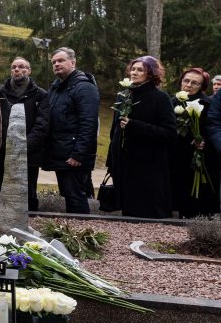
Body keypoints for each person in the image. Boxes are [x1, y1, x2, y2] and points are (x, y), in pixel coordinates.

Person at [106, 56, 176, 218]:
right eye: (133, 69)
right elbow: (114, 131)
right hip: (124, 164)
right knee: (128, 213)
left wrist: (135, 125)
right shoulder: (123, 96)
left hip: (149, 166)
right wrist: (112, 159)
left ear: (151, 74)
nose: (134, 73)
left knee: (147, 212)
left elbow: (170, 132)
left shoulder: (160, 98)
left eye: (140, 70)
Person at [43, 47, 99, 214]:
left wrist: (78, 154)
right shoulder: (56, 88)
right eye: (54, 62)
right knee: (68, 194)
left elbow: (89, 123)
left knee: (76, 197)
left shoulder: (84, 87)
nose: (56, 64)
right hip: (61, 153)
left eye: (61, 60)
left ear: (73, 62)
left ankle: (81, 234)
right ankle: (72, 233)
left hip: (74, 156)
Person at [0, 57, 49, 210]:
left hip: (29, 154)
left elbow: (42, 125)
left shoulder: (40, 95)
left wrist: (23, 146)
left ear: (29, 71)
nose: (17, 70)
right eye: (14, 67)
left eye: (21, 67)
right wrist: (5, 146)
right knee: (2, 192)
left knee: (28, 192)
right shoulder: (0, 93)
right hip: (4, 152)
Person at [172, 67, 220, 218]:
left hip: (201, 156)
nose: (189, 85)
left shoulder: (207, 104)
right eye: (186, 81)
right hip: (176, 154)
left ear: (202, 86)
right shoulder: (171, 102)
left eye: (195, 83)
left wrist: (202, 140)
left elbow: (212, 126)